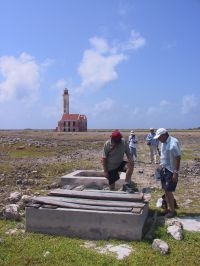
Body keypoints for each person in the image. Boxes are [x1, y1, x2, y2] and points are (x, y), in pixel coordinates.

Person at [154, 128, 181, 218]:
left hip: (171, 170)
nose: (158, 139)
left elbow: (177, 157)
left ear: (165, 135)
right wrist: (160, 165)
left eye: (159, 137)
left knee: (169, 191)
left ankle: (172, 211)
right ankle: (168, 208)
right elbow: (164, 156)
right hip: (164, 169)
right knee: (165, 190)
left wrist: (175, 173)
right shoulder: (163, 143)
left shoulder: (173, 143)